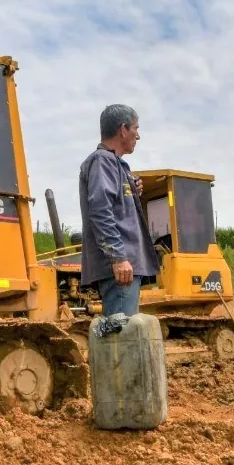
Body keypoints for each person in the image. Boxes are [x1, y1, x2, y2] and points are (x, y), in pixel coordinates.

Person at [78, 104, 159, 316]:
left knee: (125, 329)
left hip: (126, 266)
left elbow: (114, 206)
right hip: (121, 267)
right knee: (122, 332)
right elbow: (100, 211)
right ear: (123, 129)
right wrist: (118, 257)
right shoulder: (102, 161)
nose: (138, 135)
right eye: (135, 128)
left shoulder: (117, 165)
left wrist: (132, 191)